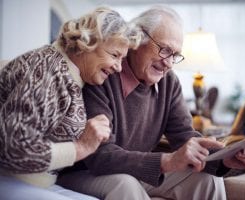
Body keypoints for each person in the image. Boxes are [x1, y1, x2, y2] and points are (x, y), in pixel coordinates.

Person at [58, 5, 245, 200]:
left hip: (134, 170)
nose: (168, 63)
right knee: (125, 184)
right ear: (137, 39)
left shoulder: (169, 82)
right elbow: (100, 156)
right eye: (164, 50)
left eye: (175, 55)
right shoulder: (104, 73)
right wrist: (167, 161)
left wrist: (225, 158)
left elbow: (184, 137)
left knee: (208, 180)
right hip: (86, 171)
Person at [0, 6, 141, 200]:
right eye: (115, 55)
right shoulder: (49, 70)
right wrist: (81, 147)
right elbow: (15, 148)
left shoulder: (71, 74)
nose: (118, 67)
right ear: (89, 42)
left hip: (37, 181)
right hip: (9, 178)